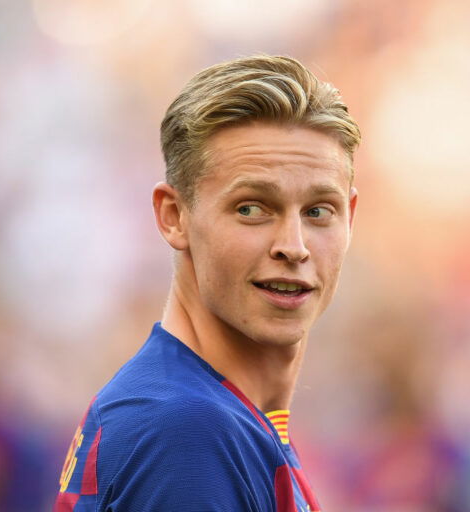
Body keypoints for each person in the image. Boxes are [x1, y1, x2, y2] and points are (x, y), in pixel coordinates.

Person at [53, 54, 360, 512]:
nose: (294, 247)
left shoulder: (210, 413)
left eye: (318, 211)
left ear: (349, 218)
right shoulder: (187, 431)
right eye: (251, 208)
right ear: (173, 216)